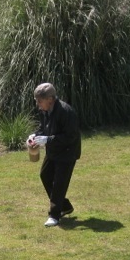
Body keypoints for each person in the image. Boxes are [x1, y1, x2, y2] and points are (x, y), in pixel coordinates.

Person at [26, 82, 82, 227]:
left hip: (68, 152)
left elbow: (71, 137)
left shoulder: (66, 112)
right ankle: (65, 206)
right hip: (53, 150)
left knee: (59, 183)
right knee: (45, 175)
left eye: (40, 101)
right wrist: (35, 136)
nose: (38, 105)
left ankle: (55, 215)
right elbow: (43, 127)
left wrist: (48, 139)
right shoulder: (44, 110)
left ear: (50, 99)